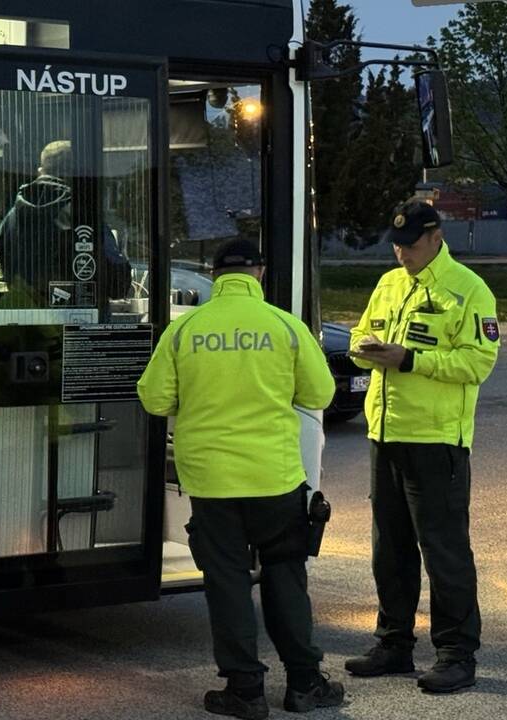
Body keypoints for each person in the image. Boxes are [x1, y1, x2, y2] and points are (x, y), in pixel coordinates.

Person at [137, 238, 343, 719]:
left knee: (227, 582)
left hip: (212, 483)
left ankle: (245, 691)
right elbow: (320, 393)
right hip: (275, 479)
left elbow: (154, 399)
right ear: (260, 273)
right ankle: (305, 684)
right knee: (285, 577)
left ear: (215, 276)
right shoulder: (285, 326)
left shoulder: (185, 330)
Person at [346, 200, 500, 694]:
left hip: (435, 441)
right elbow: (360, 333)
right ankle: (394, 644)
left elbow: (477, 362)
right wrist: (365, 349)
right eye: (396, 244)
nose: (402, 253)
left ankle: (456, 654)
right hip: (385, 434)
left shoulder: (468, 290)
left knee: (444, 551)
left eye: (410, 245)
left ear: (436, 238)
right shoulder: (390, 284)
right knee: (389, 549)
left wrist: (411, 360)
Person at [0, 140, 131, 307]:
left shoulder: (11, 218)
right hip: (78, 317)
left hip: (27, 315)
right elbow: (118, 283)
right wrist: (122, 255)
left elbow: (7, 270)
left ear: (40, 171)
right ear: (74, 174)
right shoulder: (83, 215)